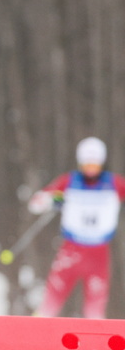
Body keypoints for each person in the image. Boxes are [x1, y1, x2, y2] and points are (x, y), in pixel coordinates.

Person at [28, 137, 125, 319]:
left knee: (96, 305)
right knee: (52, 296)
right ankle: (37, 326)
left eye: (95, 164)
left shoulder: (113, 184)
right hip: (71, 250)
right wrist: (53, 200)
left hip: (99, 252)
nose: (90, 169)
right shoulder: (69, 182)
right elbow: (35, 203)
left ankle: (95, 337)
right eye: (87, 164)